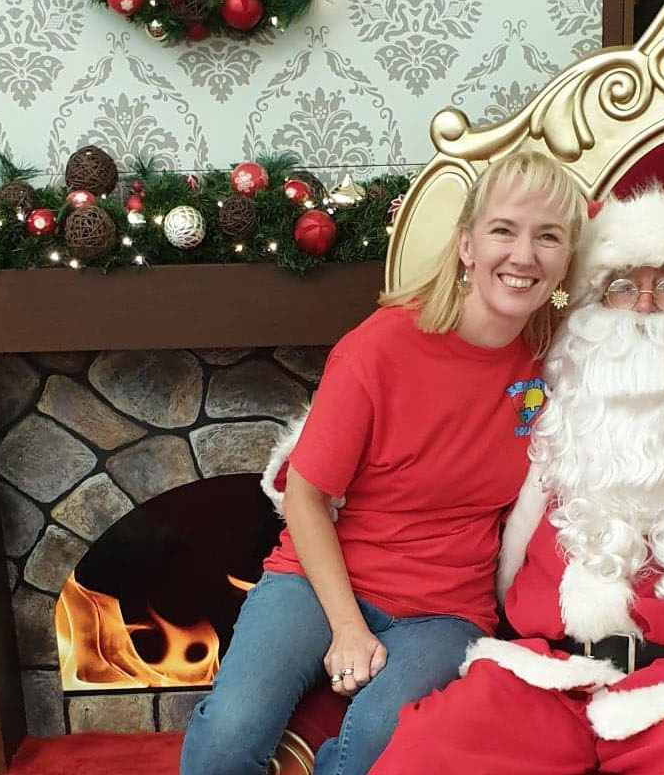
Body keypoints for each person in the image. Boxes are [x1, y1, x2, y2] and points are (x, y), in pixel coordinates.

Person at [177, 150, 586, 775]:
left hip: (446, 609)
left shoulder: (561, 361)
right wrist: (347, 628)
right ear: (467, 247)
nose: (524, 255)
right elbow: (306, 497)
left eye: (548, 237)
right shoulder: (379, 348)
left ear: (566, 260)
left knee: (376, 739)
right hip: (321, 579)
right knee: (231, 732)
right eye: (504, 230)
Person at [368, 187, 664, 775]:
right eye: (621, 287)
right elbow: (433, 438)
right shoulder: (550, 412)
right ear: (588, 306)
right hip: (542, 673)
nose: (644, 308)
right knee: (425, 754)